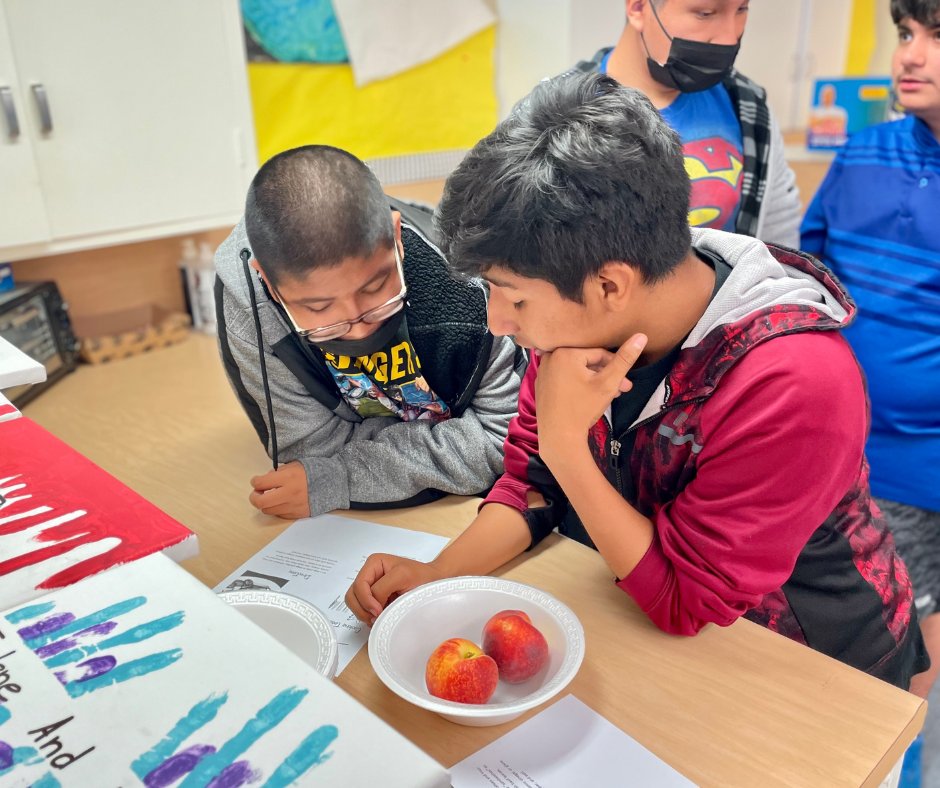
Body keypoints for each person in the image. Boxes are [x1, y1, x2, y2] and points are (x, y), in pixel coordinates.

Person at [345, 72, 930, 691]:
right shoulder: (581, 311)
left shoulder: (797, 382)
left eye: (511, 297)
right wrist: (438, 573)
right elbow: (531, 481)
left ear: (610, 286)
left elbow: (685, 600)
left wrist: (567, 447)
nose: (496, 321)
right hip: (680, 647)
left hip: (820, 664)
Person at [214, 145, 524, 520]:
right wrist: (451, 442)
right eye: (319, 308)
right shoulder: (250, 308)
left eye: (374, 287)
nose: (359, 323)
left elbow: (502, 438)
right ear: (268, 281)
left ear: (396, 238)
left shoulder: (465, 278)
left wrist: (342, 475)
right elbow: (310, 452)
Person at [801, 0, 940, 700]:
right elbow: (809, 288)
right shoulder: (861, 156)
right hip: (874, 464)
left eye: (936, 38)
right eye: (906, 34)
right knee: (903, 658)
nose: (910, 55)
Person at [567, 0, 801, 246]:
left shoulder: (749, 107)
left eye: (741, 9)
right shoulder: (558, 115)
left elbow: (779, 230)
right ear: (637, 7)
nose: (730, 38)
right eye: (705, 13)